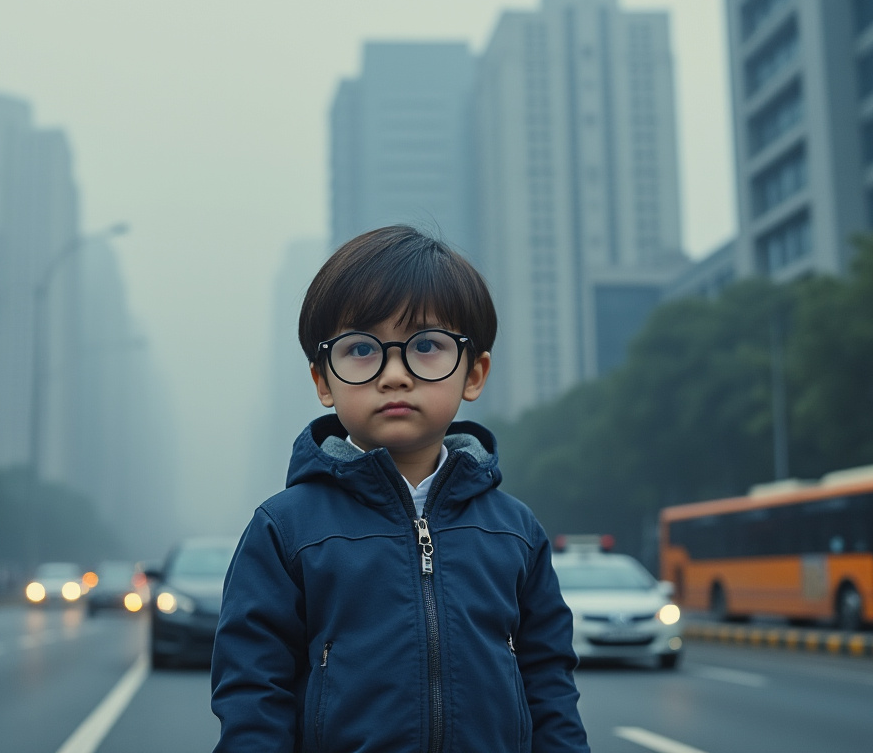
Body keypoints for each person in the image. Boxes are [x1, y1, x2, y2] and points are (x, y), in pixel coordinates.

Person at [210, 226, 589, 752]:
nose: (394, 375)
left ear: (474, 374)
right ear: (323, 380)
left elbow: (549, 685)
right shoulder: (285, 530)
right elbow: (252, 693)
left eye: (427, 346)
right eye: (362, 349)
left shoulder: (516, 531)